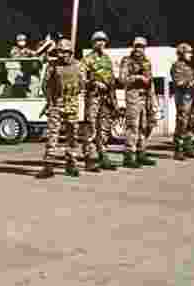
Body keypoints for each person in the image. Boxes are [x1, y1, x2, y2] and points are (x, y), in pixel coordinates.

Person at [40, 39, 85, 178]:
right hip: (56, 104)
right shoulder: (52, 66)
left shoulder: (79, 66)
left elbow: (82, 85)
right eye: (60, 51)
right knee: (52, 135)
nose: (62, 55)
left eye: (65, 52)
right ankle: (48, 166)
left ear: (71, 52)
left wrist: (74, 96)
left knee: (72, 136)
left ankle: (71, 164)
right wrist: (50, 101)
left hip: (72, 104)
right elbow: (45, 85)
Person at [80, 31, 118, 172]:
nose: (101, 43)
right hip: (93, 97)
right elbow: (81, 80)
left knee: (104, 129)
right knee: (90, 128)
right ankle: (89, 159)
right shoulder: (87, 60)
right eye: (98, 40)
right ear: (93, 43)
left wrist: (114, 101)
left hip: (106, 98)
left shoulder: (107, 59)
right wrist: (94, 83)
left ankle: (103, 156)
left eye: (103, 41)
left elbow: (112, 80)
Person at [119, 36, 158, 168]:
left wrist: (153, 99)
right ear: (133, 46)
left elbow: (150, 81)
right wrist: (138, 77)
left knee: (144, 125)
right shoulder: (127, 61)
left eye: (141, 47)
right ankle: (129, 155)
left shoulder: (147, 62)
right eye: (137, 46)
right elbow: (123, 79)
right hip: (133, 96)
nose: (139, 49)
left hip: (146, 97)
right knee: (133, 126)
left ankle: (141, 152)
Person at [171, 42, 194, 160]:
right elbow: (179, 82)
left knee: (191, 122)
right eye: (188, 52)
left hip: (192, 97)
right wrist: (192, 83)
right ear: (181, 53)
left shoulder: (190, 67)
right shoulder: (177, 66)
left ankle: (188, 146)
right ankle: (178, 149)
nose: (191, 55)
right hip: (183, 98)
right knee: (182, 123)